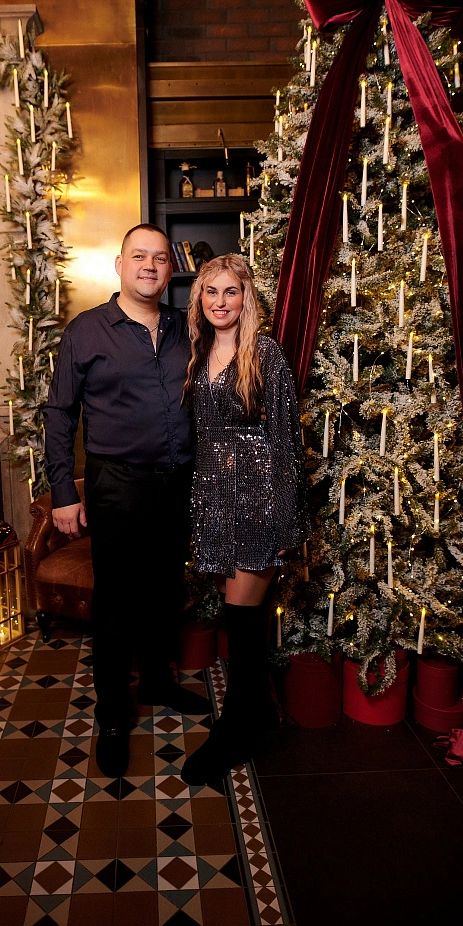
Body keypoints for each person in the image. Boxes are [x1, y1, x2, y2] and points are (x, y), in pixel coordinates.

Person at [43, 223, 212, 779]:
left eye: (160, 258)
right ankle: (114, 714)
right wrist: (63, 492)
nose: (150, 266)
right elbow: (59, 413)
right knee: (116, 601)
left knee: (166, 590)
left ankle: (158, 683)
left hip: (178, 482)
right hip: (117, 483)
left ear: (171, 269)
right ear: (119, 265)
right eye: (139, 256)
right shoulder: (87, 331)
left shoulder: (187, 327)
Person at [180, 253, 309, 787]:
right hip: (213, 499)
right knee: (241, 620)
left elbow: (286, 441)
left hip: (257, 501)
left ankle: (234, 731)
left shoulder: (266, 354)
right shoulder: (198, 351)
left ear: (245, 298)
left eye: (230, 291)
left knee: (241, 620)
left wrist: (285, 521)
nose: (220, 301)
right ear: (200, 298)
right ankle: (254, 711)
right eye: (211, 291)